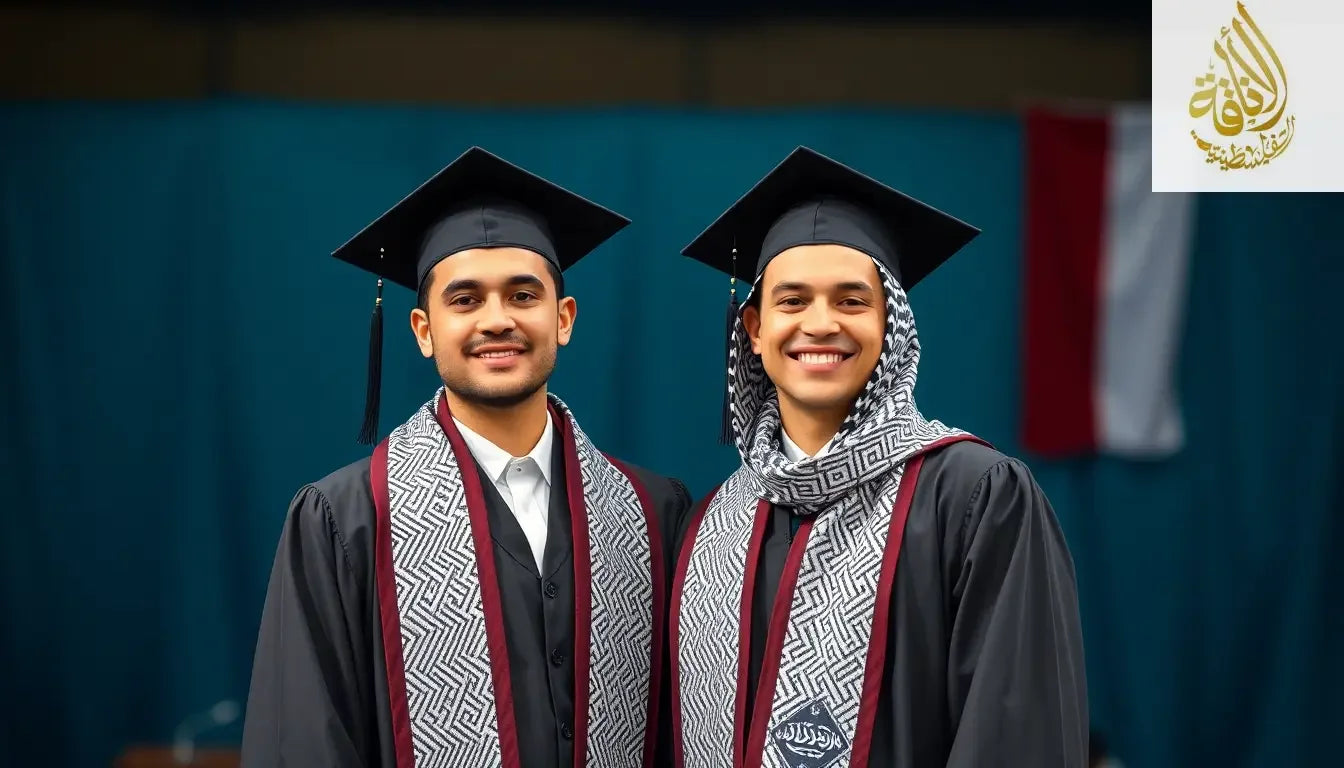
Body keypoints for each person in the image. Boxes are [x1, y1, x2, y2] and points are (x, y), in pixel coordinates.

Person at [241, 147, 692, 768]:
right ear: (424, 331)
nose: (497, 319)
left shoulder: (651, 514)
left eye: (523, 295)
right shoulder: (347, 521)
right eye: (465, 299)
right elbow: (303, 745)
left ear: (563, 319)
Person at [669, 146, 1088, 767]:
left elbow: (1018, 736)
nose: (820, 324)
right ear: (753, 331)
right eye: (792, 301)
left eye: (851, 300)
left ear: (890, 323)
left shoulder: (974, 497)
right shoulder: (715, 524)